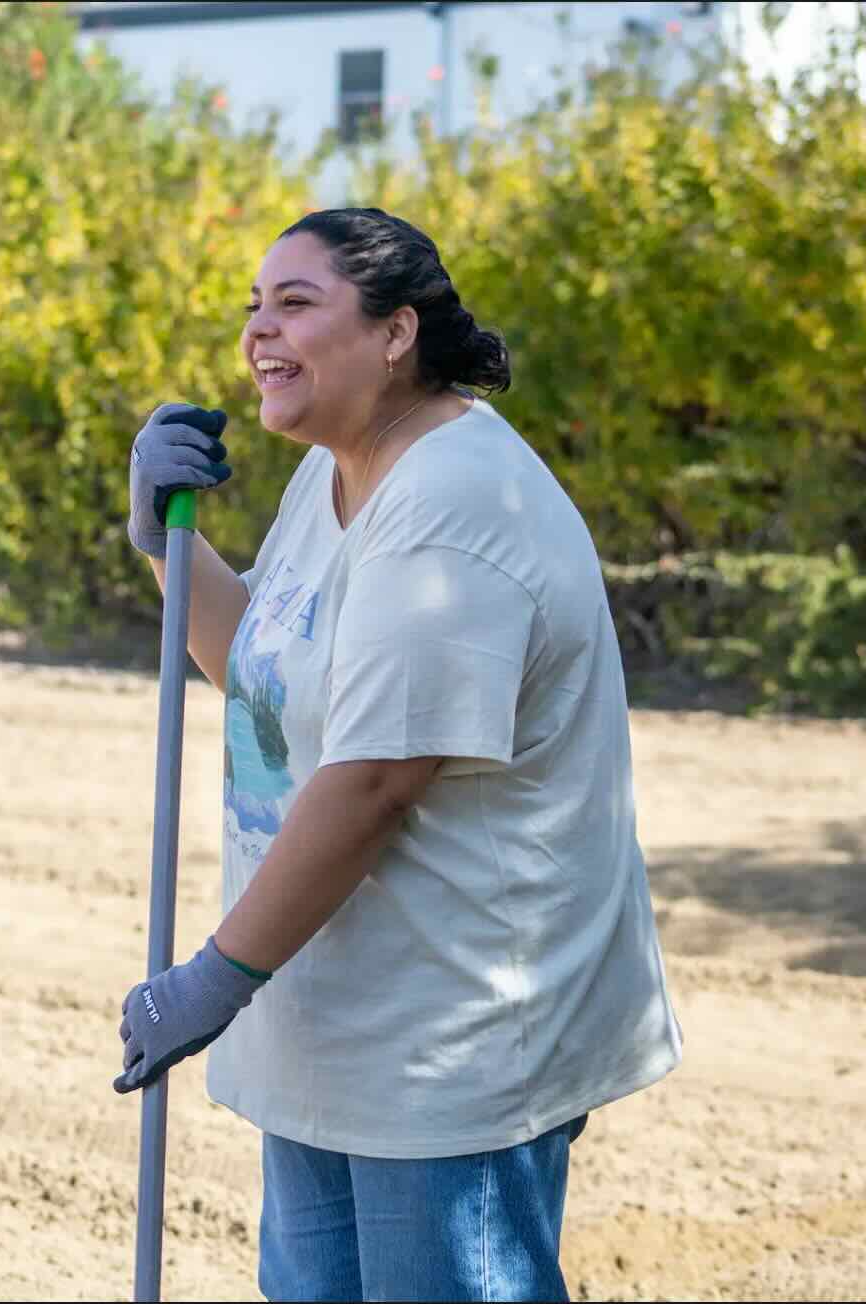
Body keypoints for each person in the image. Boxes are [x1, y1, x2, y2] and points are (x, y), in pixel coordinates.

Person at [115, 207, 682, 1302]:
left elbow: (374, 779)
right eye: (252, 306)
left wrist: (215, 976)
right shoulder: (333, 475)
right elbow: (269, 678)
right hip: (339, 1018)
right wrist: (168, 545)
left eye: (296, 302)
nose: (259, 331)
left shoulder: (449, 503)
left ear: (395, 333)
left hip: (448, 1039)